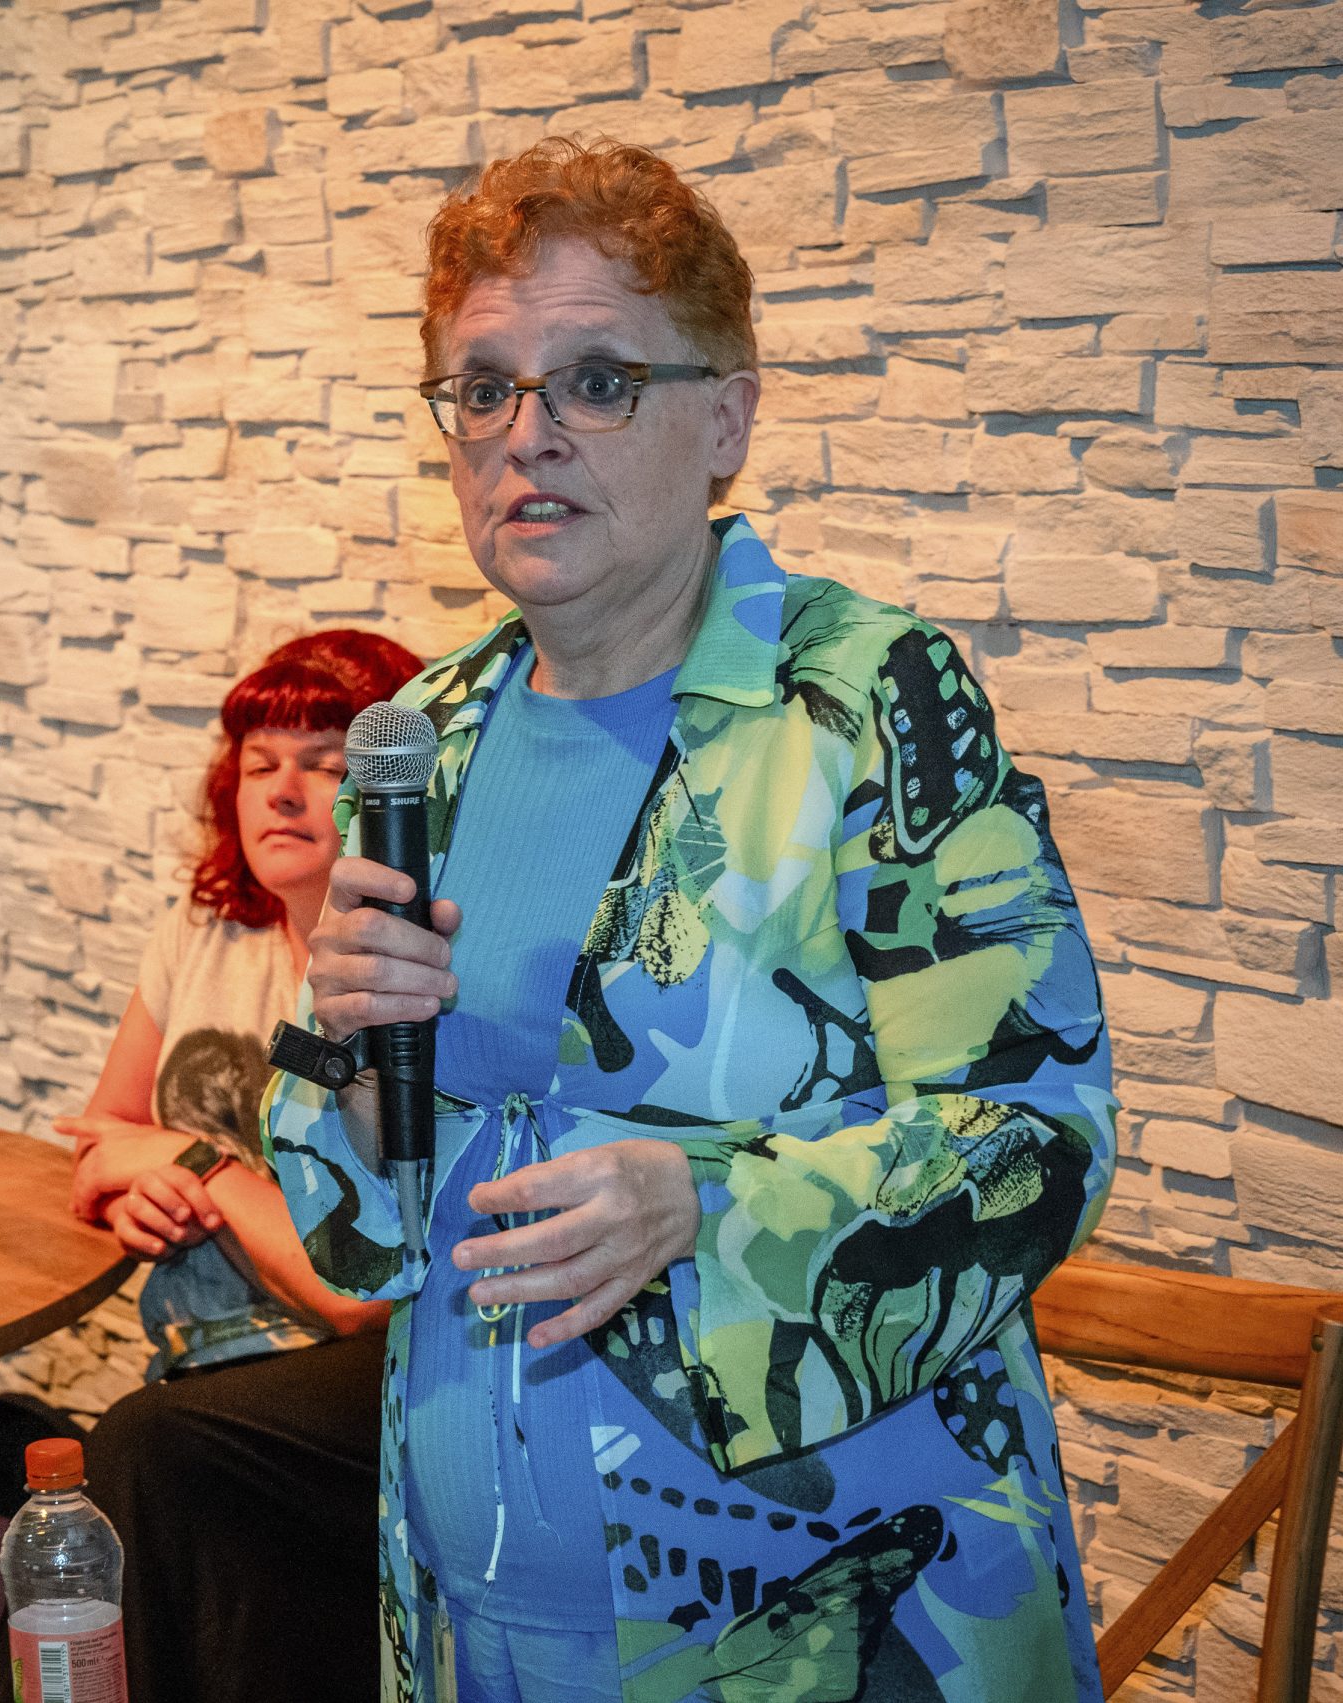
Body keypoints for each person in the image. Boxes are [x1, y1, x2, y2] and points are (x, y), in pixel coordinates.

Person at [266, 138, 1117, 1703]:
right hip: (470, 1614)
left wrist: (706, 1204)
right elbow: (362, 1218)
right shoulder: (424, 733)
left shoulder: (862, 701)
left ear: (726, 417)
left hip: (830, 1622)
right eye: (483, 387)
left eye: (595, 381)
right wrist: (349, 1048)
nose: (527, 435)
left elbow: (1036, 1130)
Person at [59, 628, 421, 1703]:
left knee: (137, 1447)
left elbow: (354, 1290)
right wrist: (140, 1197)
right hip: (205, 1352)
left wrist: (196, 1171)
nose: (284, 791)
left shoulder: (397, 975)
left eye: (324, 763)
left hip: (370, 1369)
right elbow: (97, 1137)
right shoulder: (206, 926)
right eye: (261, 764)